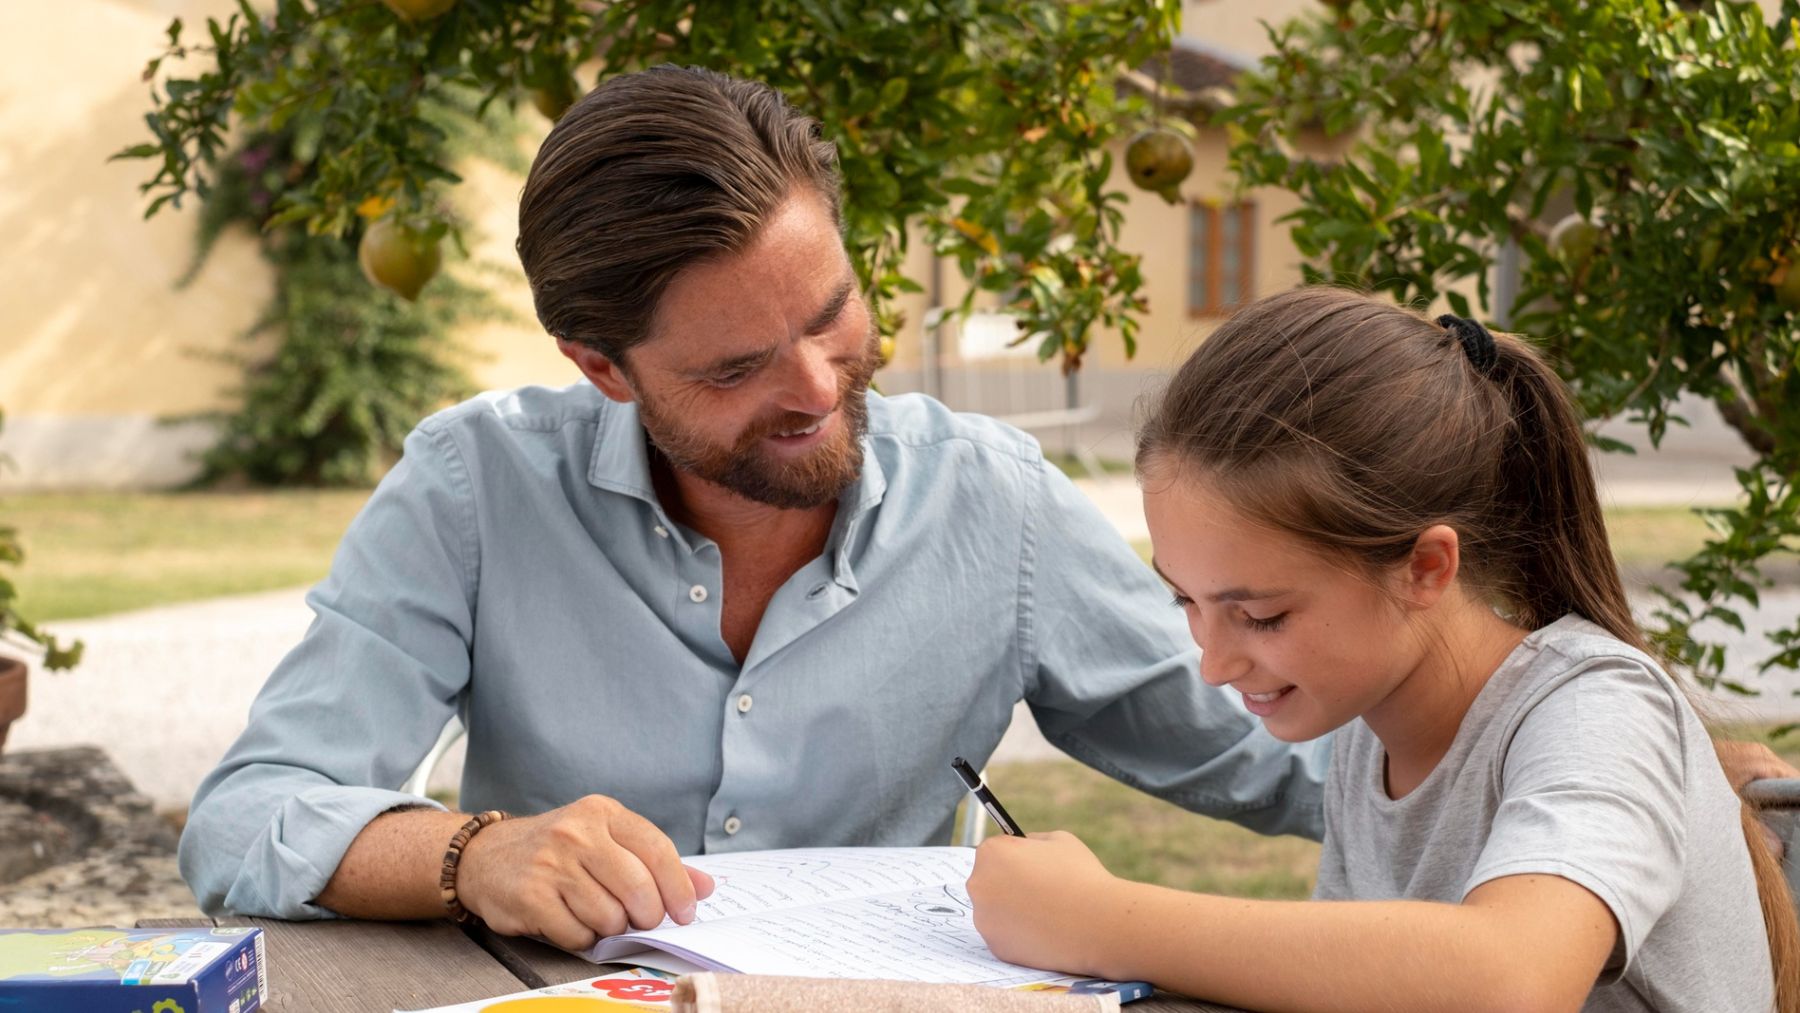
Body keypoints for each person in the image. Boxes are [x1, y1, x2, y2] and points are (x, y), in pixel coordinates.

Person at [176, 66, 1335, 950]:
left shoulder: (998, 506)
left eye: (832, 311)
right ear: (603, 367)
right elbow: (250, 816)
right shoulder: (472, 485)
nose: (820, 388)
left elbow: (1294, 757)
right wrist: (473, 854)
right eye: (736, 370)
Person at [967, 287, 1800, 1012]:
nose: (1214, 664)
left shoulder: (1597, 706)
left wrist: (1104, 921)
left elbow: (1511, 976)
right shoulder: (1370, 737)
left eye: (1259, 616)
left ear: (1426, 567)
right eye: (1186, 600)